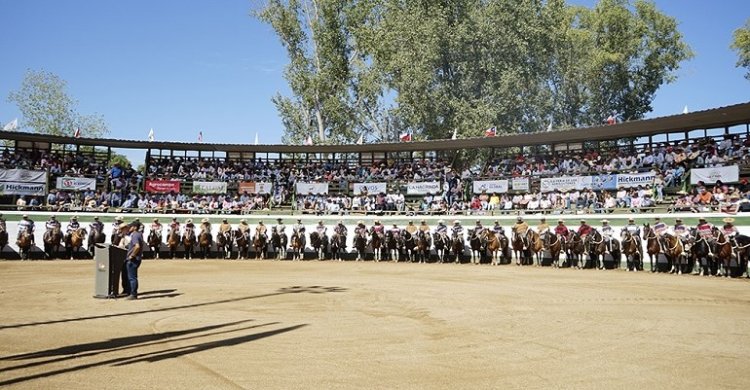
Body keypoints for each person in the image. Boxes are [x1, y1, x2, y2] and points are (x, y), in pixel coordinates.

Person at [125, 221, 145, 300]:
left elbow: (137, 246)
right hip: (137, 258)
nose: (130, 228)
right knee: (133, 277)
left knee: (132, 277)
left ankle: (133, 294)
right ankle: (132, 293)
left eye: (131, 227)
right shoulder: (139, 234)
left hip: (133, 259)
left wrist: (132, 255)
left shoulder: (135, 235)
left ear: (135, 227)